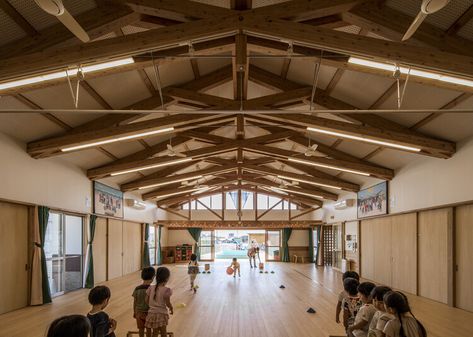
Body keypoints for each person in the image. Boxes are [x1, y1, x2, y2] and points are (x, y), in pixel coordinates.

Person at [146, 267, 173, 337]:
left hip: (151, 314)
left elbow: (146, 300)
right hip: (161, 314)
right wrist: (171, 307)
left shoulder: (151, 288)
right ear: (167, 278)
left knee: (155, 333)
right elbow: (168, 303)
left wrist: (151, 306)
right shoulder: (166, 290)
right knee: (163, 332)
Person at [133, 267, 156, 337]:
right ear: (153, 278)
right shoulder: (152, 289)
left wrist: (135, 312)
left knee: (141, 329)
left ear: (142, 277)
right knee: (148, 329)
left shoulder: (137, 289)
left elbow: (135, 302)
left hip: (139, 313)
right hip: (149, 313)